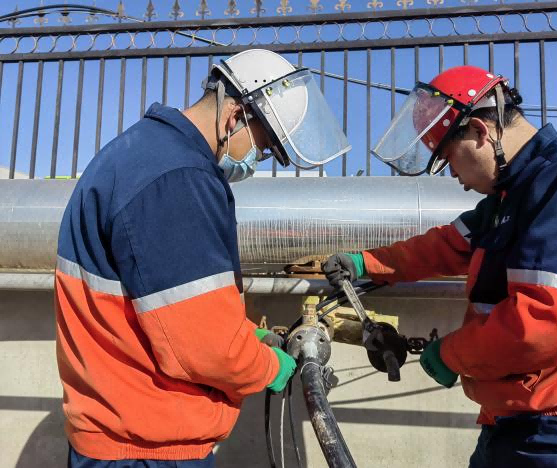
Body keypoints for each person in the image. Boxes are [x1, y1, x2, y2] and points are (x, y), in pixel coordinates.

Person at [55, 48, 351, 467]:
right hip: (147, 449)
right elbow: (206, 346)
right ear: (236, 117)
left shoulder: (144, 152)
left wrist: (249, 336)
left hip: (119, 428)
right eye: (264, 146)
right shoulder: (177, 178)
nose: (258, 160)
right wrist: (269, 367)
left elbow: (168, 306)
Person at [322, 65, 557, 467]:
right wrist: (366, 263)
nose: (455, 177)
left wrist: (450, 355)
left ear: (480, 132)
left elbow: (544, 325)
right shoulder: (514, 192)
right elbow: (447, 245)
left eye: (448, 158)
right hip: (521, 423)